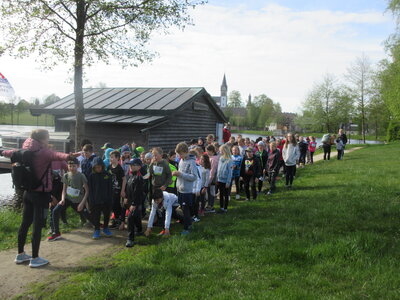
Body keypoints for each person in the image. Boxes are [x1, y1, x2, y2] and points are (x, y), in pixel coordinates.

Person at [0, 129, 76, 268]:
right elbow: (57, 155)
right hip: (40, 194)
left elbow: (8, 152)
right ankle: (35, 258)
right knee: (37, 226)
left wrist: (1, 151)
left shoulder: (24, 149)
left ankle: (20, 254)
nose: (48, 141)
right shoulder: (43, 152)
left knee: (24, 224)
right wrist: (70, 156)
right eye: (47, 138)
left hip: (27, 192)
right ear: (42, 139)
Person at [48, 157, 90, 241]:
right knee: (55, 211)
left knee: (89, 216)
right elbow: (64, 190)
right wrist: (62, 199)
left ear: (77, 166)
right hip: (67, 199)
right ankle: (56, 233)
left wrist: (82, 203)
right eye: (70, 166)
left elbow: (87, 191)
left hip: (78, 201)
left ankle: (97, 225)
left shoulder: (81, 176)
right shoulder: (66, 175)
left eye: (74, 166)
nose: (71, 168)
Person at [172, 142, 197, 235]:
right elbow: (180, 173)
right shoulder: (181, 160)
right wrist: (176, 173)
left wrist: (180, 174)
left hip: (187, 190)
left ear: (186, 151)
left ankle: (187, 228)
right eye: (178, 154)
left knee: (186, 209)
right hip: (180, 189)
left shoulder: (192, 162)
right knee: (182, 208)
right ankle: (189, 223)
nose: (179, 156)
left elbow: (194, 177)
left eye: (181, 154)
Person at [88, 157, 113, 239]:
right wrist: (91, 200)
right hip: (95, 200)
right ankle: (97, 229)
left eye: (99, 167)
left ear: (102, 166)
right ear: (93, 167)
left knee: (106, 214)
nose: (98, 168)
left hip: (106, 200)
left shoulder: (108, 175)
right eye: (96, 167)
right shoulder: (91, 176)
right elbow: (90, 189)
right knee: (96, 215)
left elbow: (110, 188)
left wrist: (110, 199)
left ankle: (106, 228)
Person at [124, 158, 145, 247]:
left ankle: (130, 239)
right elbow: (128, 188)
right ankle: (139, 230)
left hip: (136, 202)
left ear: (139, 167)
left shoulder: (139, 178)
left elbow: (138, 192)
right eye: (130, 165)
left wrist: (134, 204)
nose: (131, 166)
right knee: (136, 217)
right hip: (130, 201)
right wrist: (125, 197)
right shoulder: (130, 176)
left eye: (133, 165)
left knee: (130, 218)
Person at [107, 150, 126, 229]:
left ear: (117, 158)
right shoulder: (109, 167)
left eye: (112, 157)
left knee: (117, 205)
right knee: (112, 205)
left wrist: (122, 190)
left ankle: (119, 220)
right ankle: (115, 220)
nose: (110, 159)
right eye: (110, 157)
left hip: (118, 190)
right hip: (111, 190)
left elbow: (124, 179)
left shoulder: (119, 168)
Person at [216, 144, 233, 213]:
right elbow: (218, 169)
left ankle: (225, 208)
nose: (220, 152)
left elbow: (230, 173)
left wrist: (228, 182)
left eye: (221, 151)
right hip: (220, 179)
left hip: (225, 180)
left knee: (225, 195)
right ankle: (221, 207)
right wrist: (217, 178)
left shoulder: (229, 160)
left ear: (225, 151)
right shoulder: (220, 159)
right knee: (221, 194)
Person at [205, 144, 219, 213]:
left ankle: (211, 207)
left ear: (212, 151)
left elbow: (212, 171)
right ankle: (209, 205)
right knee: (209, 192)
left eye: (208, 151)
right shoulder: (212, 157)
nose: (207, 153)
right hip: (210, 178)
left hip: (212, 179)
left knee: (211, 192)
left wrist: (209, 180)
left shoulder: (214, 159)